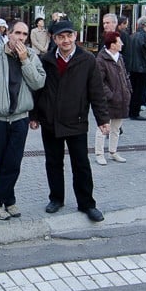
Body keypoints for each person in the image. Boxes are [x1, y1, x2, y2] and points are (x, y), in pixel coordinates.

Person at [31, 18, 110, 222]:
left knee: (81, 164)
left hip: (76, 120)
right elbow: (38, 90)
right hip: (51, 121)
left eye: (69, 35)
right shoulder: (46, 60)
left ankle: (87, 204)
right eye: (61, 36)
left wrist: (103, 119)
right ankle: (56, 198)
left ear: (75, 36)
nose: (66, 40)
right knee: (53, 163)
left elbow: (97, 92)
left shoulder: (87, 60)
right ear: (54, 39)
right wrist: (35, 116)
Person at [0, 20, 46, 221]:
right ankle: (0, 202)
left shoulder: (32, 56)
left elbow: (38, 83)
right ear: (8, 34)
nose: (21, 37)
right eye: (17, 33)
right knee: (0, 162)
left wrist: (25, 60)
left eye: (25, 34)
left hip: (20, 118)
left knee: (13, 162)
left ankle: (2, 201)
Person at [94, 30, 132, 166]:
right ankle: (99, 153)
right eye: (119, 41)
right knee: (103, 128)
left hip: (122, 99)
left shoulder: (119, 57)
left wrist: (128, 89)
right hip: (108, 101)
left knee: (116, 128)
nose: (121, 43)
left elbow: (125, 76)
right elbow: (99, 81)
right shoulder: (101, 59)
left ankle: (113, 151)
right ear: (112, 45)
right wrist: (111, 95)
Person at [125, 16, 146, 121]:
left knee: (133, 90)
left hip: (133, 67)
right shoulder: (145, 37)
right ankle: (135, 112)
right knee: (139, 90)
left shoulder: (133, 35)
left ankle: (131, 110)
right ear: (145, 25)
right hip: (142, 67)